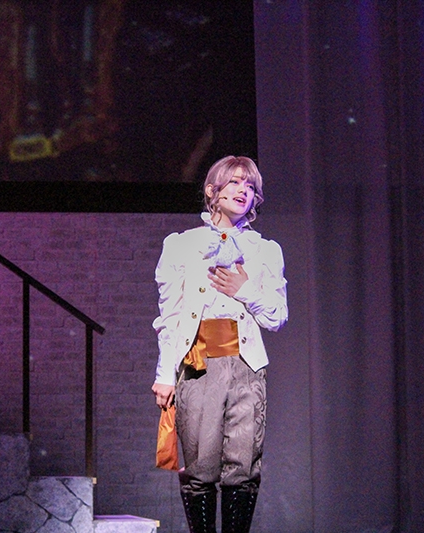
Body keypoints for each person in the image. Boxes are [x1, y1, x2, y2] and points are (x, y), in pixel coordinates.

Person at [151, 155, 288, 533]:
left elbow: (277, 317)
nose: (244, 191)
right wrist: (164, 374)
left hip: (246, 367)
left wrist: (246, 290)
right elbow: (170, 316)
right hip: (198, 365)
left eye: (251, 186)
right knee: (200, 468)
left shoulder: (265, 250)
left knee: (243, 468)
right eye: (236, 183)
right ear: (212, 190)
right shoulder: (182, 245)